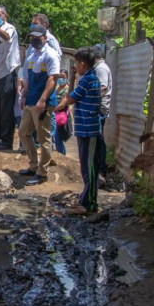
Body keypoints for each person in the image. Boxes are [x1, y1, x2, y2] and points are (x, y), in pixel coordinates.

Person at [54, 47, 102, 214]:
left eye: (76, 63)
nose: (75, 66)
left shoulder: (87, 80)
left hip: (89, 130)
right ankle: (85, 200)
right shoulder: (90, 79)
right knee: (86, 167)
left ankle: (89, 204)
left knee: (89, 168)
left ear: (82, 64)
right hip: (86, 129)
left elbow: (70, 99)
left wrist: (73, 79)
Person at [18, 25, 59, 185]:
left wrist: (42, 100)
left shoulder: (51, 55)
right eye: (32, 37)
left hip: (43, 103)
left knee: (43, 138)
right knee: (23, 132)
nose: (35, 40)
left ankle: (42, 172)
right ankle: (33, 165)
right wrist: (23, 95)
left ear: (45, 38)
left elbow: (52, 79)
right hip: (30, 101)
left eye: (38, 38)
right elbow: (28, 78)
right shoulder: (32, 55)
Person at [0, 5, 20, 150]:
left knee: (6, 109)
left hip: (7, 73)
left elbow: (7, 37)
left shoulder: (9, 28)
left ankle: (7, 141)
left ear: (5, 16)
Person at [93, 48, 113, 178]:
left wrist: (91, 103)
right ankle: (99, 167)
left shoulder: (100, 68)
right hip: (100, 107)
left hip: (99, 108)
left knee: (98, 139)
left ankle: (101, 168)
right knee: (98, 139)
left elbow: (102, 88)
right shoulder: (100, 67)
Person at [52, 70, 71, 155]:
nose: (61, 79)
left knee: (57, 137)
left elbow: (62, 105)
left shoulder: (67, 89)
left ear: (67, 78)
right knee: (55, 137)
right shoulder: (56, 87)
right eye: (59, 77)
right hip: (54, 114)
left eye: (63, 77)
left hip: (61, 115)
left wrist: (51, 109)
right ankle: (61, 154)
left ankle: (61, 155)